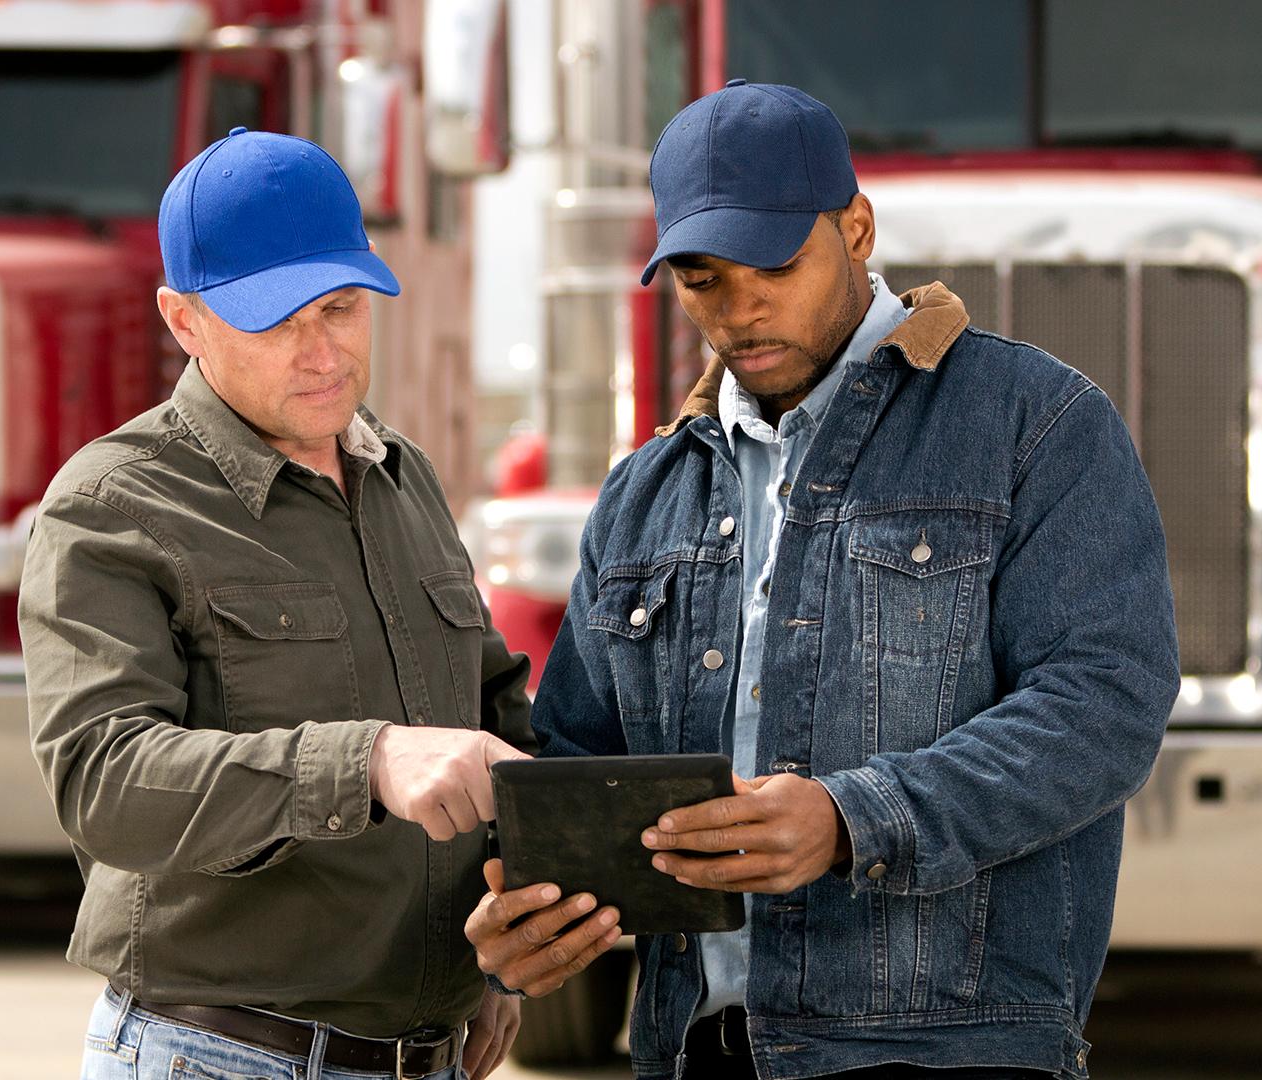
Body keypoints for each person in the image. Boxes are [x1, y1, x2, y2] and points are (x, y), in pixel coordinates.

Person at [464, 81, 1179, 1079]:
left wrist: (852, 821)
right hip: (697, 1052)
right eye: (704, 279)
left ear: (857, 228)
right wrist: (517, 921)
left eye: (775, 264)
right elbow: (580, 763)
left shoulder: (1034, 425)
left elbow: (1105, 704)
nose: (741, 307)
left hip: (949, 1054)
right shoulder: (645, 494)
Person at [19, 127, 533, 1080]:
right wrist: (366, 759)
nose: (320, 352)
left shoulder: (401, 476)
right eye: (274, 322)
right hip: (217, 1054)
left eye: (340, 308)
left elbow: (493, 718)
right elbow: (101, 779)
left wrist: (499, 963)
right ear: (183, 320)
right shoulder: (113, 502)